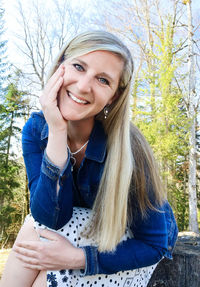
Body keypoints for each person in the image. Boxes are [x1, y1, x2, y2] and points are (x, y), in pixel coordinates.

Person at [0, 30, 178, 287]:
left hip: (130, 243)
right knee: (34, 229)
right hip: (79, 227)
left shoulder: (130, 148)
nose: (83, 86)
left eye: (103, 80)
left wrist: (77, 258)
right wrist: (58, 131)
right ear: (61, 64)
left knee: (47, 277)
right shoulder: (37, 130)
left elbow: (153, 244)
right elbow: (49, 218)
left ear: (114, 96)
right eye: (78, 66)